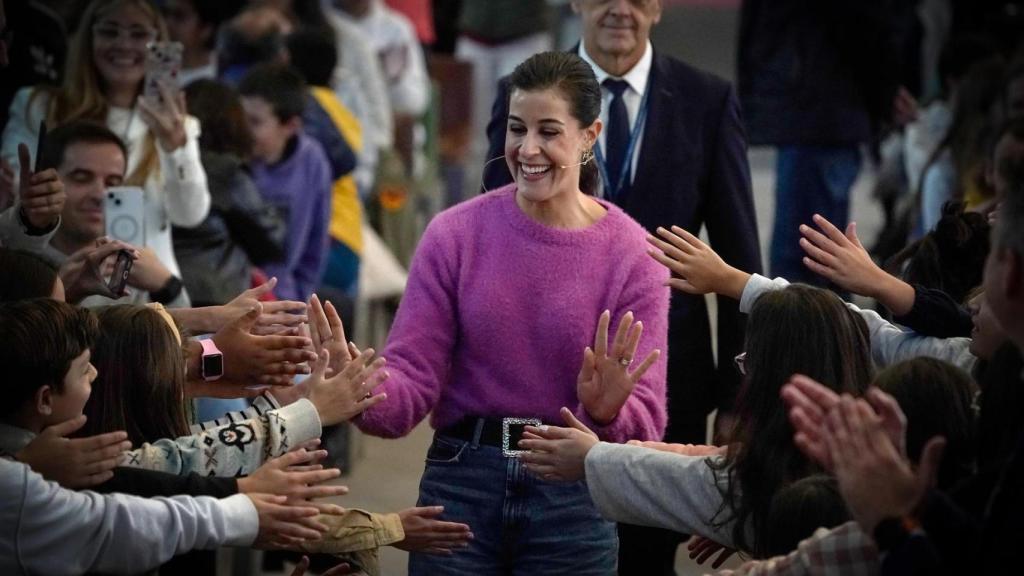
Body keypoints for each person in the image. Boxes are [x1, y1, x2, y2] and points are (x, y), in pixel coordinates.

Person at [352, 51, 669, 575]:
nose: (528, 149)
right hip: (460, 485)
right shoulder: (454, 235)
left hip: (574, 494)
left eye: (549, 131)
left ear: (590, 135)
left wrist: (609, 413)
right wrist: (356, 388)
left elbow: (646, 426)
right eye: (517, 129)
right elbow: (409, 386)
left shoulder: (634, 256)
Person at [485, 6, 762, 568]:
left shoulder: (705, 100)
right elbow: (495, 233)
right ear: (575, 3)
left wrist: (739, 397)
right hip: (543, 383)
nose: (620, 8)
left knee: (646, 561)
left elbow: (737, 258)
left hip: (664, 380)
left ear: (658, 7)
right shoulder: (522, 93)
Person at [1, 0, 212, 282]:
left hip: (148, 292)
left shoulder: (178, 125)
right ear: (88, 40)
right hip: (59, 283)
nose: (124, 45)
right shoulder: (39, 106)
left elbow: (190, 216)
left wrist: (175, 149)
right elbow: (18, 190)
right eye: (110, 32)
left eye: (139, 34)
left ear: (158, 45)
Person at [738, 0, 904, 284]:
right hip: (821, 105)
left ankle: (808, 323)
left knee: (810, 252)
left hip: (814, 104)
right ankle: (809, 323)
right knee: (812, 252)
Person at [34, 121, 190, 308]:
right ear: (46, 181)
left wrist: (168, 288)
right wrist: (58, 296)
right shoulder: (17, 256)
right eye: (82, 178)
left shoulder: (130, 267)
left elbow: (181, 336)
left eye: (113, 183)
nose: (100, 194)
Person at [173, 78, 287, 307]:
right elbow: (272, 238)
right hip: (218, 297)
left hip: (163, 290)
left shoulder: (159, 165)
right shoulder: (228, 172)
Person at [239, 63, 333, 302]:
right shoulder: (230, 156)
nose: (243, 130)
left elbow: (316, 243)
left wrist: (299, 300)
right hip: (233, 297)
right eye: (240, 118)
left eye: (255, 122)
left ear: (290, 126)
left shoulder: (313, 161)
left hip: (284, 298)